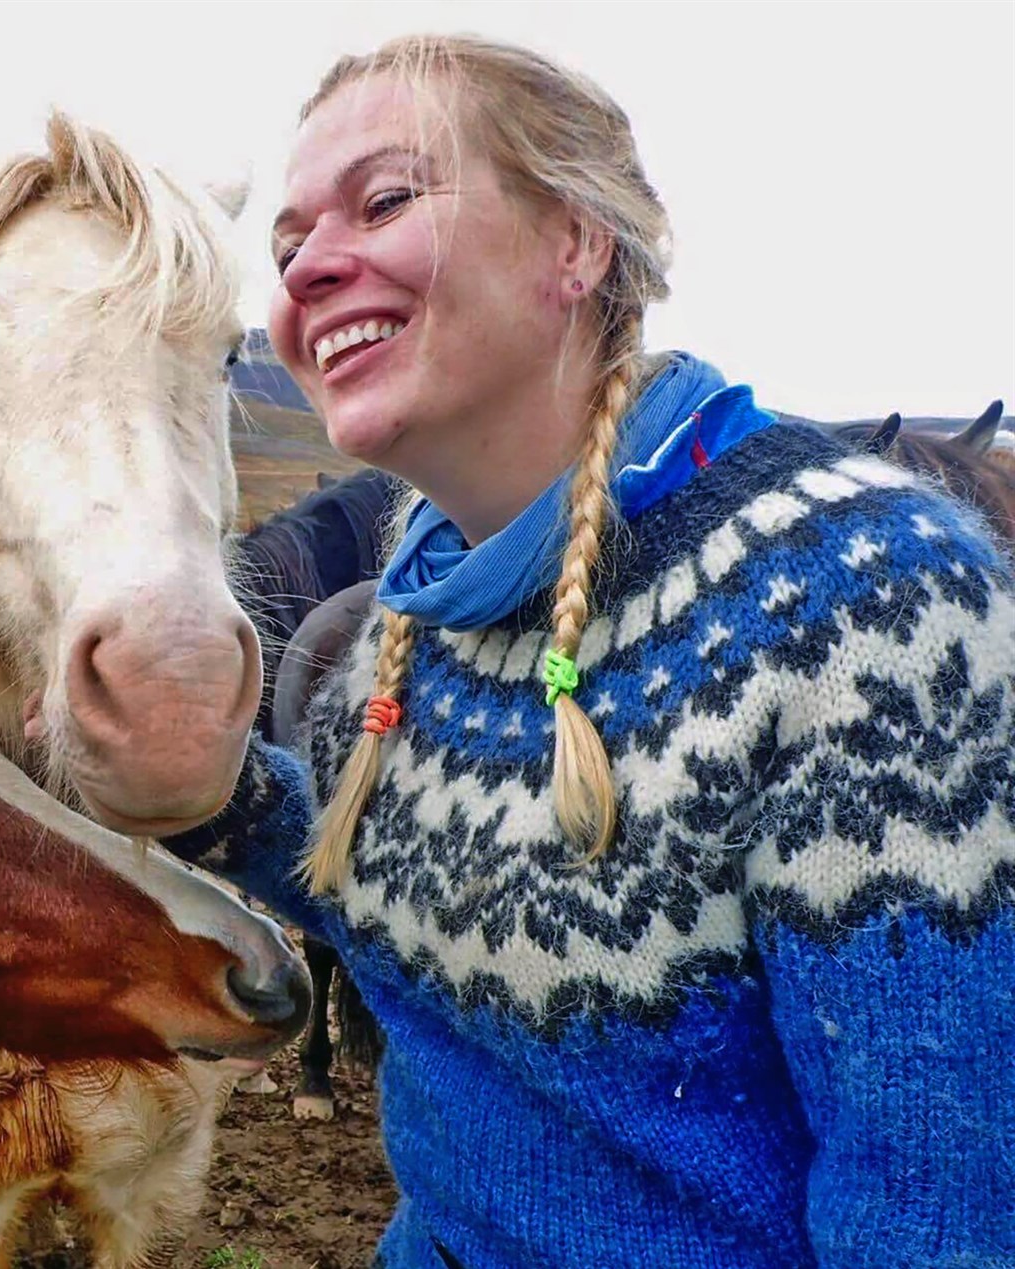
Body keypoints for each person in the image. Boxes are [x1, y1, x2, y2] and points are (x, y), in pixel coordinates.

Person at [165, 34, 1015, 1268]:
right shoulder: (418, 593)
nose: (305, 273)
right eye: (287, 246)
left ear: (575, 242)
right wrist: (211, 792)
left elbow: (936, 1216)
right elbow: (418, 897)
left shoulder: (862, 605)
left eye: (386, 200)